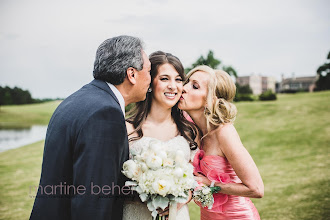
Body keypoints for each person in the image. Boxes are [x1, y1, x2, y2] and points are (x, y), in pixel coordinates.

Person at [30, 35, 151, 220]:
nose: (150, 79)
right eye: (149, 71)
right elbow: (93, 202)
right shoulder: (106, 115)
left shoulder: (75, 101)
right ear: (132, 74)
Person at [178, 66, 264, 220]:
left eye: (195, 86)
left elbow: (256, 189)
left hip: (237, 216)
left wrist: (210, 184)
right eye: (187, 82)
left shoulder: (224, 133)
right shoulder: (193, 131)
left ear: (211, 99)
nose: (183, 88)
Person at [123, 51, 198, 220]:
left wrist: (186, 197)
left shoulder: (189, 131)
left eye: (178, 79)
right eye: (165, 79)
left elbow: (197, 180)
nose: (173, 86)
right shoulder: (127, 128)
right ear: (150, 83)